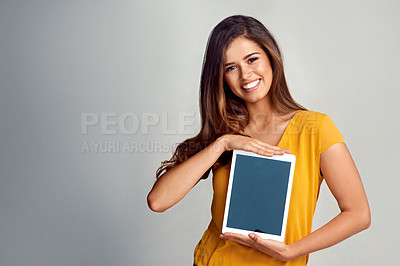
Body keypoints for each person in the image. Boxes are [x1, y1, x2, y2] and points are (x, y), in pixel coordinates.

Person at [147, 15, 371, 265]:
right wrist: (223, 143)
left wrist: (292, 250)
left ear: (271, 57)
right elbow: (158, 201)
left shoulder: (315, 128)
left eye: (252, 59)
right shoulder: (223, 132)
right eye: (230, 67)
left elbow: (358, 214)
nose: (245, 75)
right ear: (220, 77)